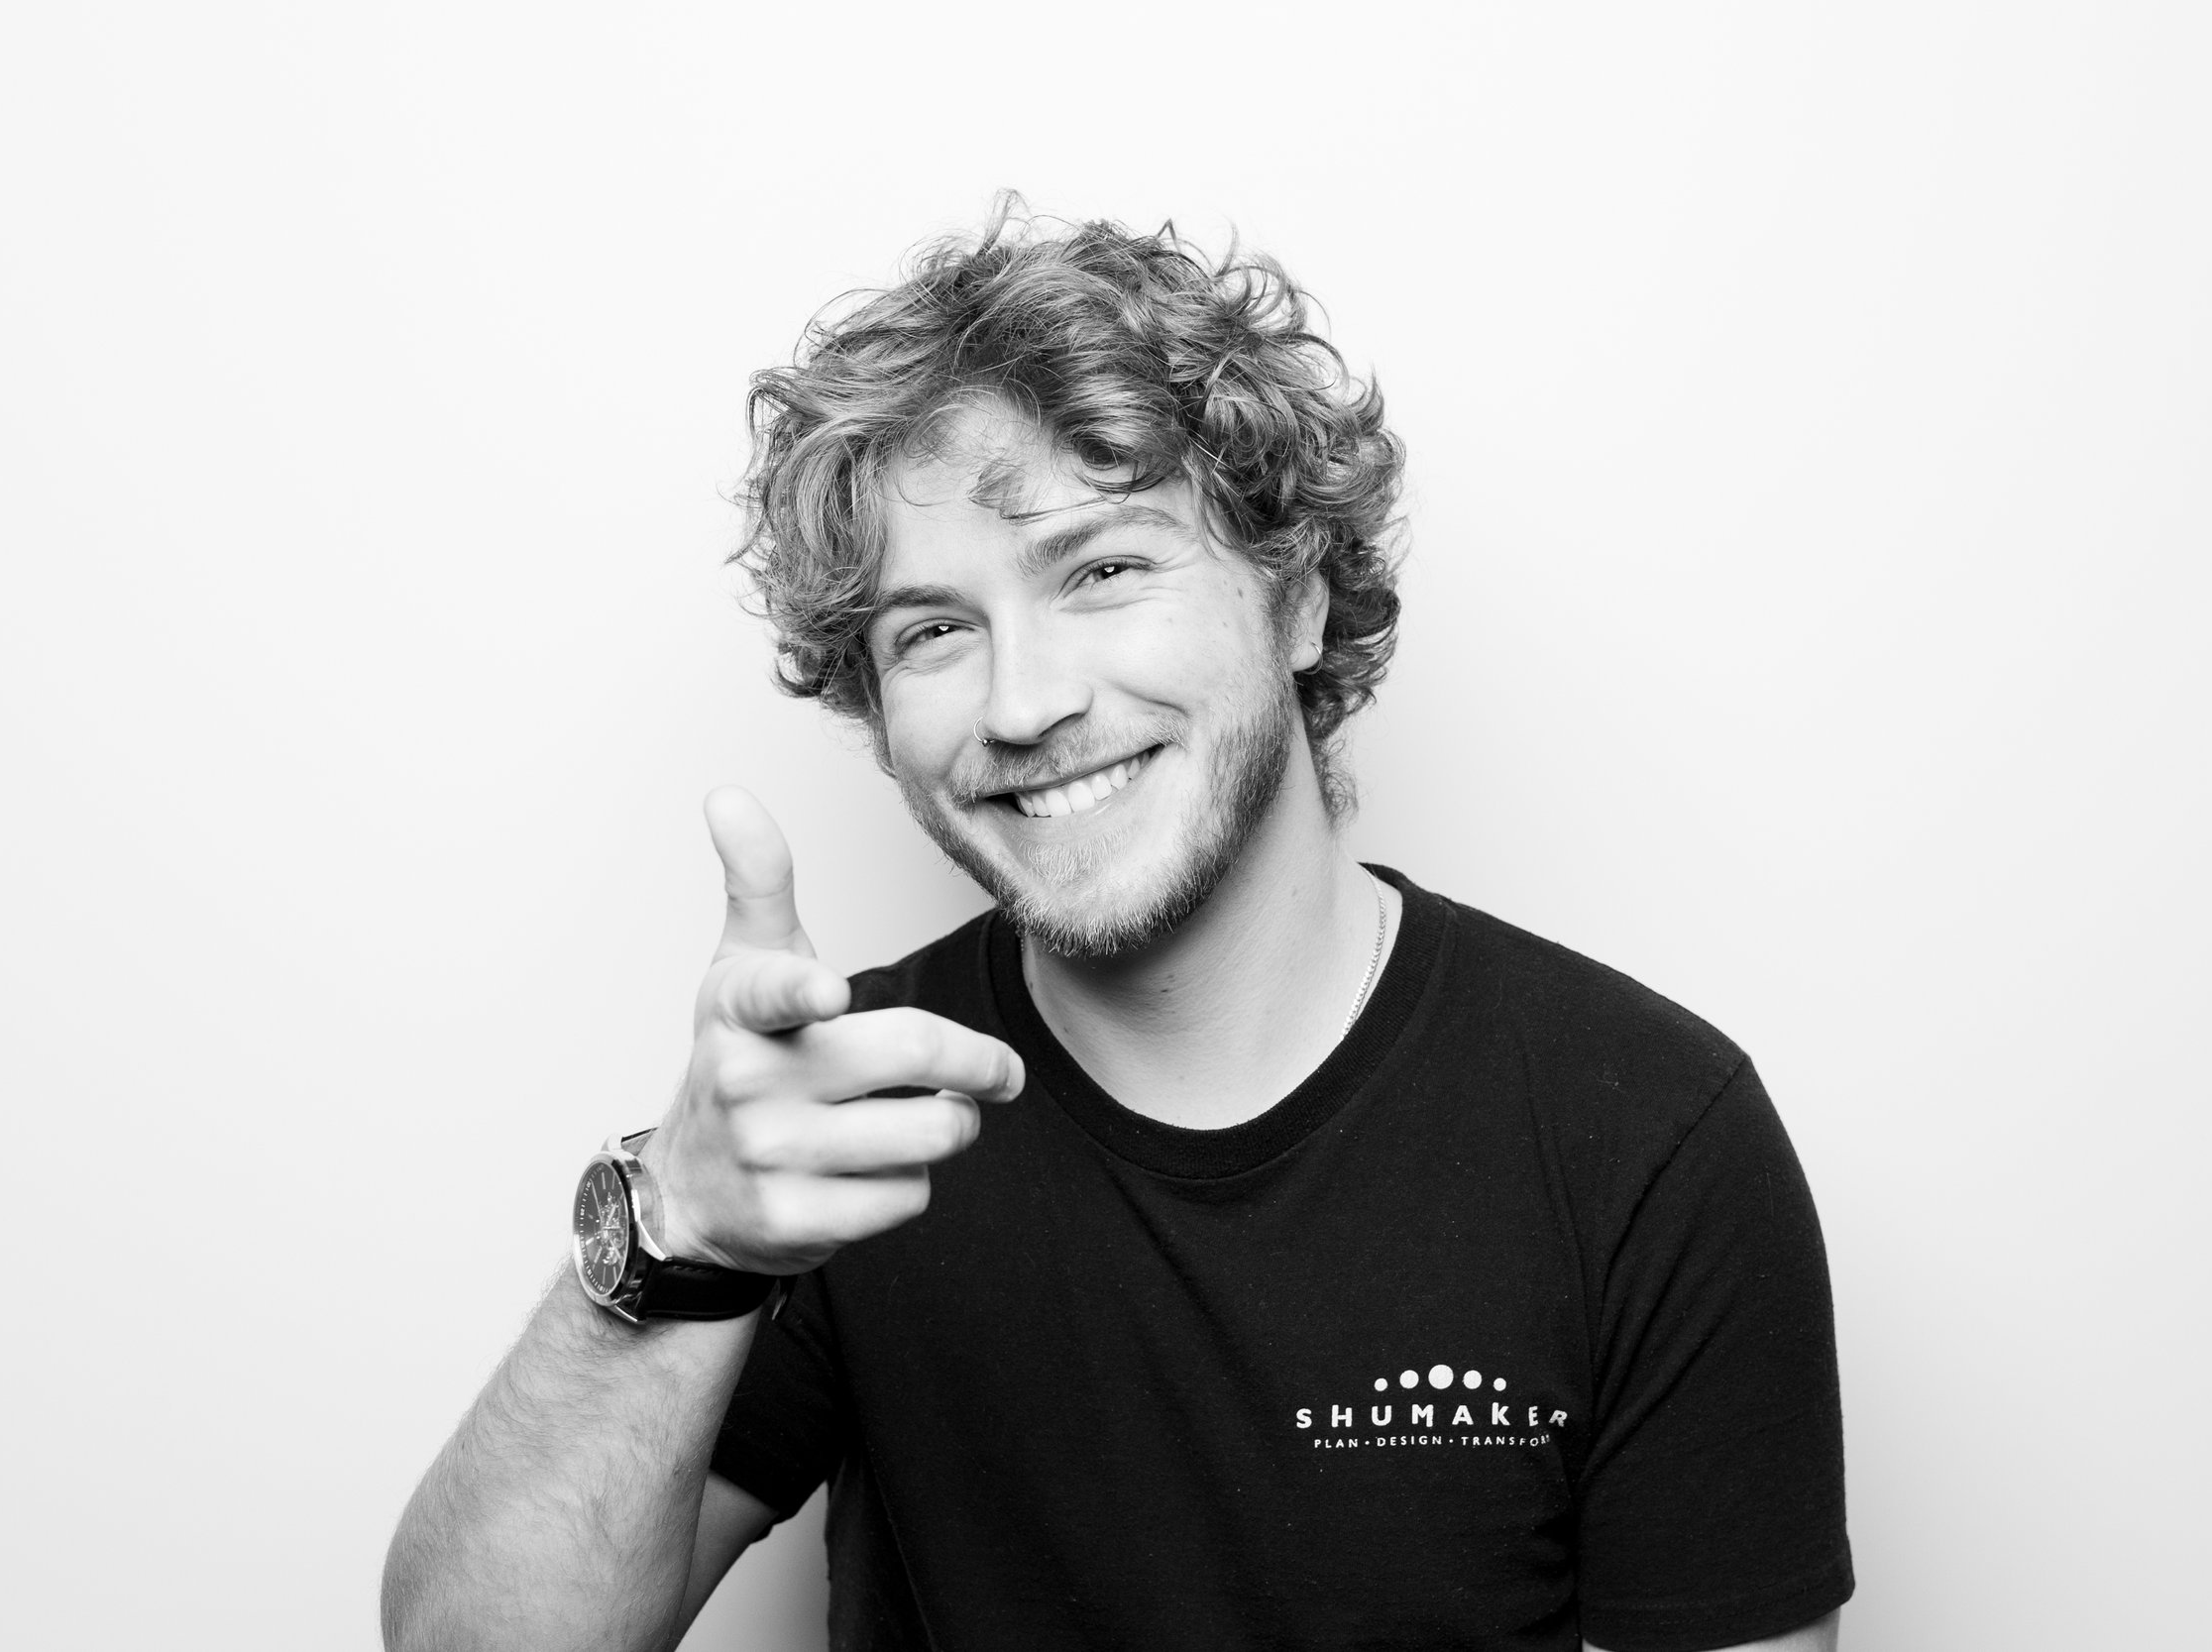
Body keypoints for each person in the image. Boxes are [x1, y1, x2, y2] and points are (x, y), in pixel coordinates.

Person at [383, 202, 1853, 1652]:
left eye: (1102, 569)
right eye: (935, 631)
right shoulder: (849, 1117)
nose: (1024, 704)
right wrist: (683, 1224)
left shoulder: (1644, 1138)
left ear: (1299, 601)